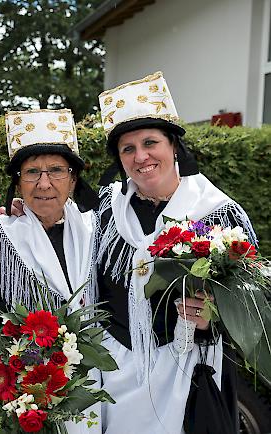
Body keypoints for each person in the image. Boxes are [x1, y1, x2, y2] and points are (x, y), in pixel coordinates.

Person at [95, 71, 256, 434]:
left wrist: (212, 320)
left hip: (193, 373)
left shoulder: (219, 214)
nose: (141, 157)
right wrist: (22, 211)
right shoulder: (106, 213)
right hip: (118, 374)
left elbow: (250, 310)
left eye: (151, 142)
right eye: (128, 149)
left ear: (173, 147)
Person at [0, 109, 101, 434]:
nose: (44, 183)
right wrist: (16, 364)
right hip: (14, 398)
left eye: (56, 171)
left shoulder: (97, 233)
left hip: (89, 394)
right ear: (18, 181)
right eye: (32, 171)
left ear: (73, 179)